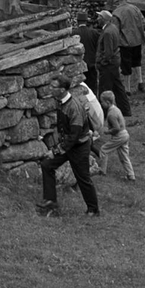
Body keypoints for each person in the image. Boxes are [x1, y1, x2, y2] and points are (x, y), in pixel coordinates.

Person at [37, 74, 100, 218]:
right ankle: (50, 201)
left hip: (79, 147)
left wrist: (56, 151)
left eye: (54, 87)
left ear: (63, 89)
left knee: (83, 178)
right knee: (47, 165)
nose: (50, 89)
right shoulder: (60, 101)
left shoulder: (74, 107)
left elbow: (75, 135)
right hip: (68, 145)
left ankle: (93, 210)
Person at [96, 10, 131, 118]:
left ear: (104, 19)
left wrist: (102, 62)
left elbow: (108, 52)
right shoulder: (113, 28)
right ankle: (125, 110)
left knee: (105, 88)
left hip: (108, 65)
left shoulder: (107, 32)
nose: (97, 19)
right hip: (114, 63)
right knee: (118, 87)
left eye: (99, 17)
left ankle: (104, 113)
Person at [112, 0, 145, 94]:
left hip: (124, 43)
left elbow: (115, 29)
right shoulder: (135, 8)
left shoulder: (116, 12)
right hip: (137, 40)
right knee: (137, 62)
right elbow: (144, 23)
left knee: (125, 65)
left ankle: (127, 89)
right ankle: (140, 82)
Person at [97, 89, 135, 181]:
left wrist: (108, 131)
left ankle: (102, 171)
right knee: (124, 156)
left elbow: (116, 128)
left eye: (102, 102)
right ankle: (131, 175)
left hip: (119, 135)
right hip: (125, 134)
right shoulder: (116, 109)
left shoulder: (111, 114)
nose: (101, 104)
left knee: (103, 149)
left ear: (107, 102)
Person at [71, 9, 101, 95]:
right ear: (86, 21)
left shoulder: (74, 33)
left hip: (79, 66)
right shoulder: (93, 32)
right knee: (92, 89)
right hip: (92, 64)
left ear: (77, 21)